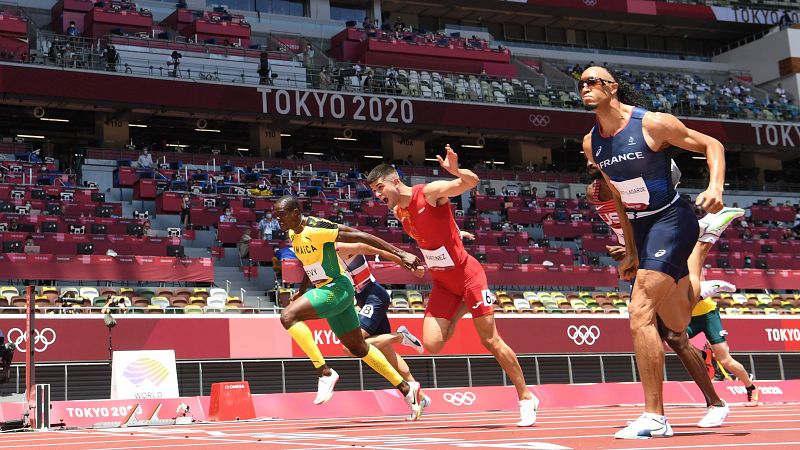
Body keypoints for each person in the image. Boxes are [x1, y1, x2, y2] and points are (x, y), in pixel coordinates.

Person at [579, 65, 745, 439]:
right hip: (643, 229)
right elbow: (621, 198)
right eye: (582, 84)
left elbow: (711, 145)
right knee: (676, 326)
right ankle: (702, 258)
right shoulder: (592, 142)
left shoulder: (652, 124)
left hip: (671, 218)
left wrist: (715, 186)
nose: (585, 88)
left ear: (612, 88)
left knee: (639, 312)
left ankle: (655, 417)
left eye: (593, 82)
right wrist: (632, 250)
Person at [367, 146, 539, 427]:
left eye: (379, 188)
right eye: (374, 191)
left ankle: (526, 397)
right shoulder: (399, 211)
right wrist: (455, 232)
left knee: (490, 341)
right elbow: (430, 231)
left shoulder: (430, 192)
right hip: (444, 284)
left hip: (469, 277)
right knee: (433, 344)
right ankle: (462, 307)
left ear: (395, 181)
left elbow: (471, 183)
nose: (377, 195)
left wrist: (457, 172)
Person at [587, 161, 740, 427]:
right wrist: (629, 251)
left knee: (672, 334)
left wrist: (632, 251)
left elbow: (650, 221)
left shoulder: (642, 188)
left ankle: (706, 241)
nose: (590, 158)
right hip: (642, 253)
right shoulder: (599, 190)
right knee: (675, 336)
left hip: (657, 248)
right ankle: (707, 404)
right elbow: (629, 222)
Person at [273, 196, 426, 419]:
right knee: (358, 348)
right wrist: (304, 290)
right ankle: (406, 389)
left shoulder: (316, 229)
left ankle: (325, 372)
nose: (278, 220)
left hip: (337, 289)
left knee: (288, 316)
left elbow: (362, 236)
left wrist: (401, 253)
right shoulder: (292, 233)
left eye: (282, 215)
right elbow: (310, 265)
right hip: (327, 290)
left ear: (296, 212)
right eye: (276, 216)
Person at [335, 240, 433, 417]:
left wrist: (406, 263)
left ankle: (399, 336)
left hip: (373, 295)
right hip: (364, 299)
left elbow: (374, 248)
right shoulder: (324, 256)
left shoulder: (342, 247)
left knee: (350, 347)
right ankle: (421, 397)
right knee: (389, 357)